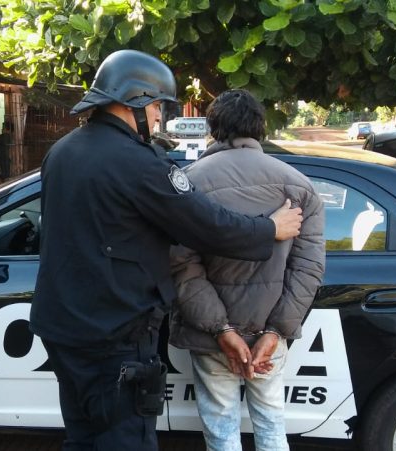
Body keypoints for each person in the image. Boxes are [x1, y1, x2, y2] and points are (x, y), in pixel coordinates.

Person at [30, 50, 304, 451]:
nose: (160, 117)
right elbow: (207, 226)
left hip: (63, 330)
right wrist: (269, 229)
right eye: (157, 105)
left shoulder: (63, 151)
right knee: (125, 441)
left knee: (84, 436)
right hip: (114, 336)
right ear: (133, 101)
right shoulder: (140, 165)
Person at [169, 89, 325, 451]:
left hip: (212, 337)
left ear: (214, 128)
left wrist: (222, 330)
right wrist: (275, 332)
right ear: (261, 128)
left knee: (221, 430)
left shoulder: (189, 183)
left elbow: (181, 266)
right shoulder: (299, 185)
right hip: (270, 332)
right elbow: (309, 268)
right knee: (271, 425)